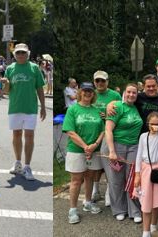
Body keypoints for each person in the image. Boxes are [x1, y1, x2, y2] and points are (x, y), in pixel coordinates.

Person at [1, 43, 46, 181]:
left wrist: (43, 106)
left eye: (23, 53)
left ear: (28, 54)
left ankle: (27, 166)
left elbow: (39, 88)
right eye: (18, 53)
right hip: (15, 107)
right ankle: (18, 163)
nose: (21, 55)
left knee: (30, 135)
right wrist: (5, 83)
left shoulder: (34, 68)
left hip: (30, 108)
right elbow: (6, 91)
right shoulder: (10, 68)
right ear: (15, 54)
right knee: (16, 134)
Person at [62, 82, 103, 224]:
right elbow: (70, 131)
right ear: (80, 92)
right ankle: (72, 210)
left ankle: (87, 202)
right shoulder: (73, 110)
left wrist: (95, 145)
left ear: (93, 94)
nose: (87, 93)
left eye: (90, 91)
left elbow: (103, 130)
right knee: (76, 181)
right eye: (85, 91)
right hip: (77, 150)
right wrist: (86, 146)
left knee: (90, 177)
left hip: (94, 150)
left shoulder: (96, 110)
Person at [104, 83, 143, 223]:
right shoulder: (117, 107)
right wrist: (112, 151)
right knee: (116, 180)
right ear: (124, 93)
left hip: (133, 146)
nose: (131, 95)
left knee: (133, 178)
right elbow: (108, 130)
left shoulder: (135, 108)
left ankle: (134, 210)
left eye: (134, 93)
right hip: (117, 146)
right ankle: (119, 209)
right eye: (129, 92)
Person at [133, 112, 158, 237]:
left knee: (157, 200)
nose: (154, 126)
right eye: (152, 124)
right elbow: (139, 155)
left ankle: (153, 227)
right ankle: (146, 232)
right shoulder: (143, 136)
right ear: (147, 124)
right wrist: (137, 174)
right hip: (145, 170)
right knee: (146, 202)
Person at [90, 70, 122, 206]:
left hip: (109, 133)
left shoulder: (114, 95)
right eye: (97, 81)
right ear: (94, 82)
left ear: (107, 82)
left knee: (109, 164)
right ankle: (95, 190)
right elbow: (85, 107)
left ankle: (109, 192)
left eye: (103, 80)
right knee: (95, 165)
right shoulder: (90, 94)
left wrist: (108, 116)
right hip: (93, 133)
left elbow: (121, 110)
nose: (100, 83)